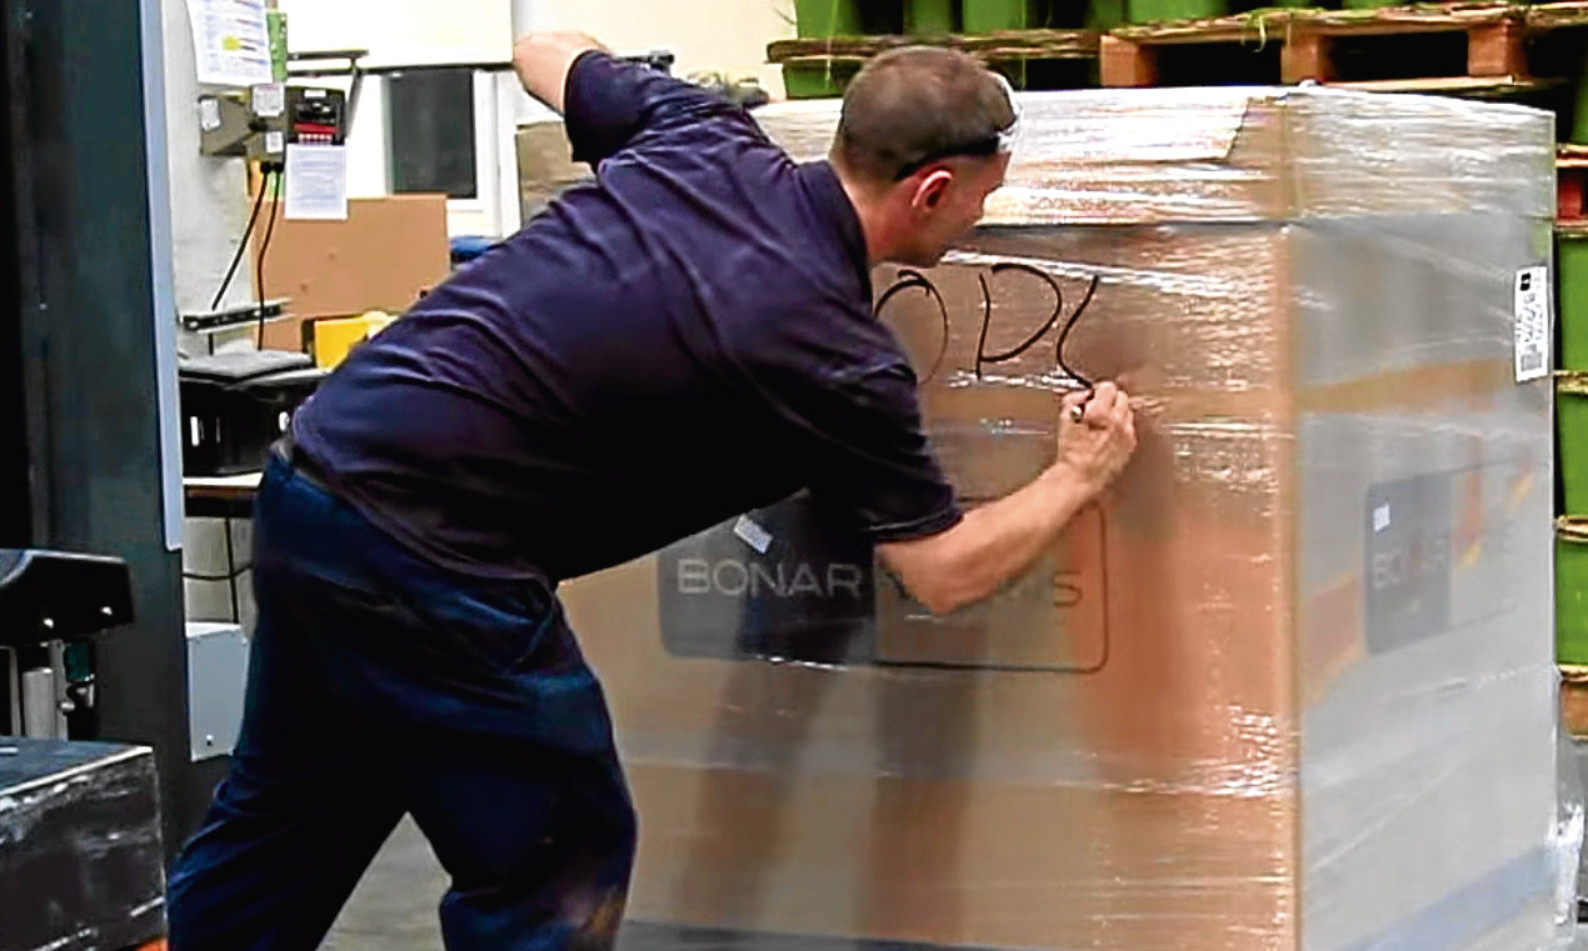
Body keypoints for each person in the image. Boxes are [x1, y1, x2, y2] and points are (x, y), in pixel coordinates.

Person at [165, 35, 1137, 951]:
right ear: (930, 190)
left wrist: (640, 76)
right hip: (433, 548)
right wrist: (1078, 477)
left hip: (319, 472)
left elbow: (540, 50)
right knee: (556, 852)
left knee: (290, 815)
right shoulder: (835, 356)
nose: (981, 222)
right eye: (980, 201)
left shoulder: (701, 132)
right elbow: (945, 571)